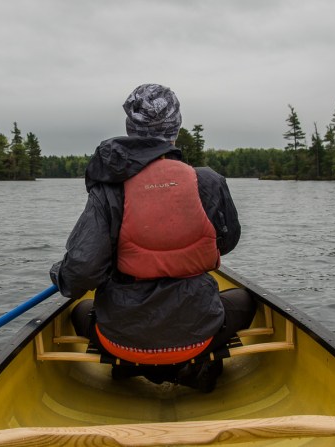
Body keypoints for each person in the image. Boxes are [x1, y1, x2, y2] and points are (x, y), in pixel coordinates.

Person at [50, 83, 255, 392]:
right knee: (247, 301)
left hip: (120, 339)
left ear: (131, 128)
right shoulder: (208, 181)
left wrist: (59, 274)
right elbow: (226, 243)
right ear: (177, 127)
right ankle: (189, 368)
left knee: (78, 311)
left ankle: (132, 367)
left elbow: (79, 273)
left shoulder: (109, 188)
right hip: (200, 331)